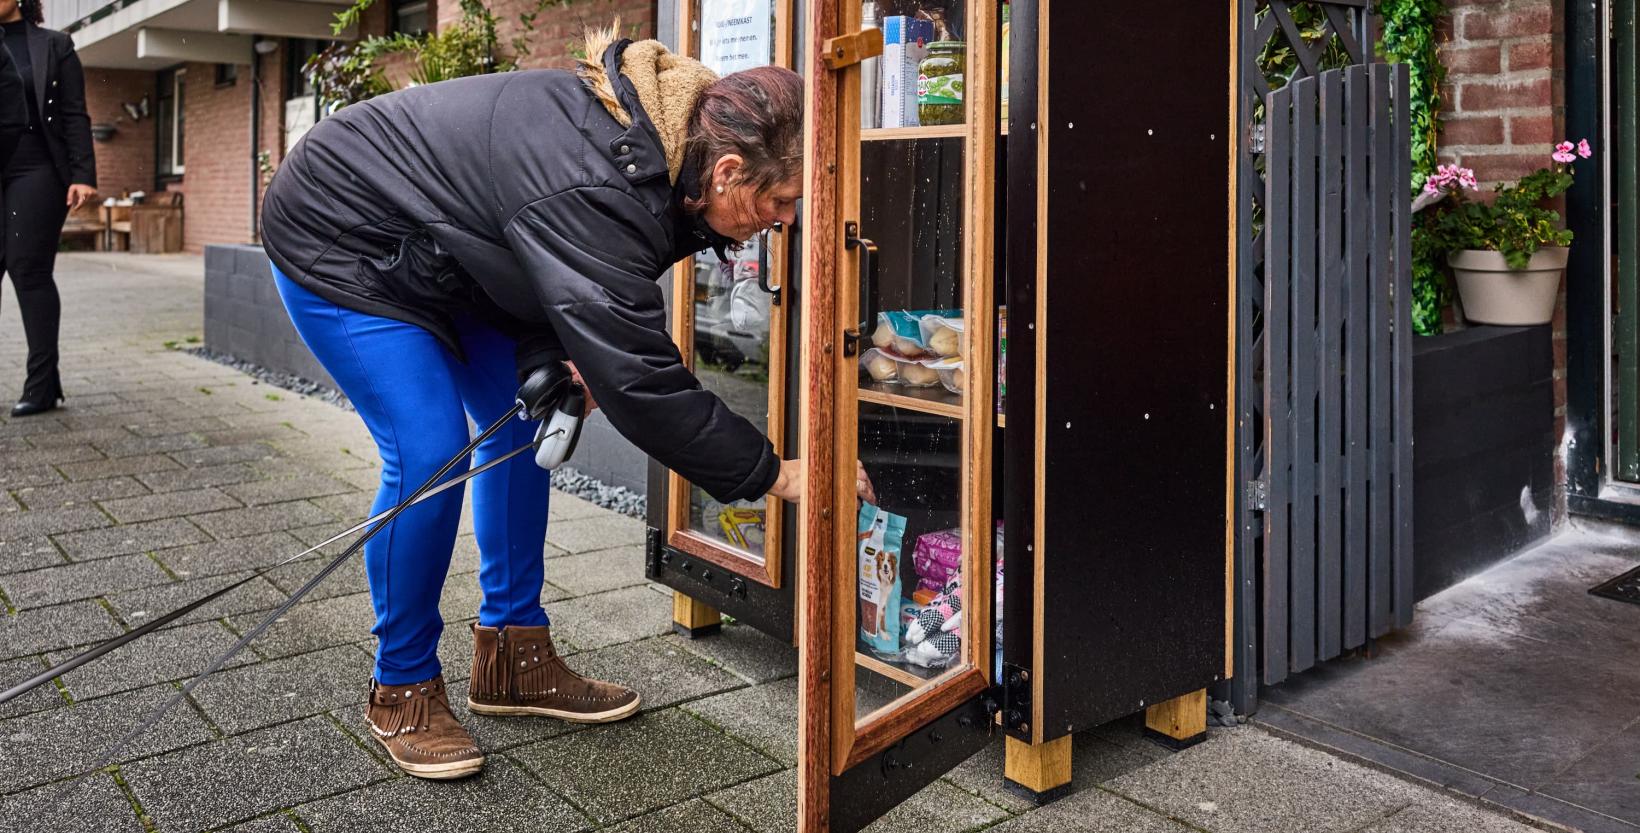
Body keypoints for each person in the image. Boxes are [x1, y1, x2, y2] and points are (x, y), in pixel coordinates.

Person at [261, 26, 872, 780]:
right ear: (731, 170)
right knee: (424, 449)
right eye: (780, 201)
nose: (784, 220)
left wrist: (554, 355)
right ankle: (402, 686)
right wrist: (776, 474)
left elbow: (532, 247)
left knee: (524, 422)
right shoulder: (608, 178)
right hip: (343, 234)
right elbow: (641, 382)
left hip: (453, 251)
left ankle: (513, 658)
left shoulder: (673, 155)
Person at [1, 0, 96, 417]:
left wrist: (83, 174)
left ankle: (40, 385)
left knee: (28, 268)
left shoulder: (54, 45)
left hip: (36, 168)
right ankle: (47, 383)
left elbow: (75, 112)